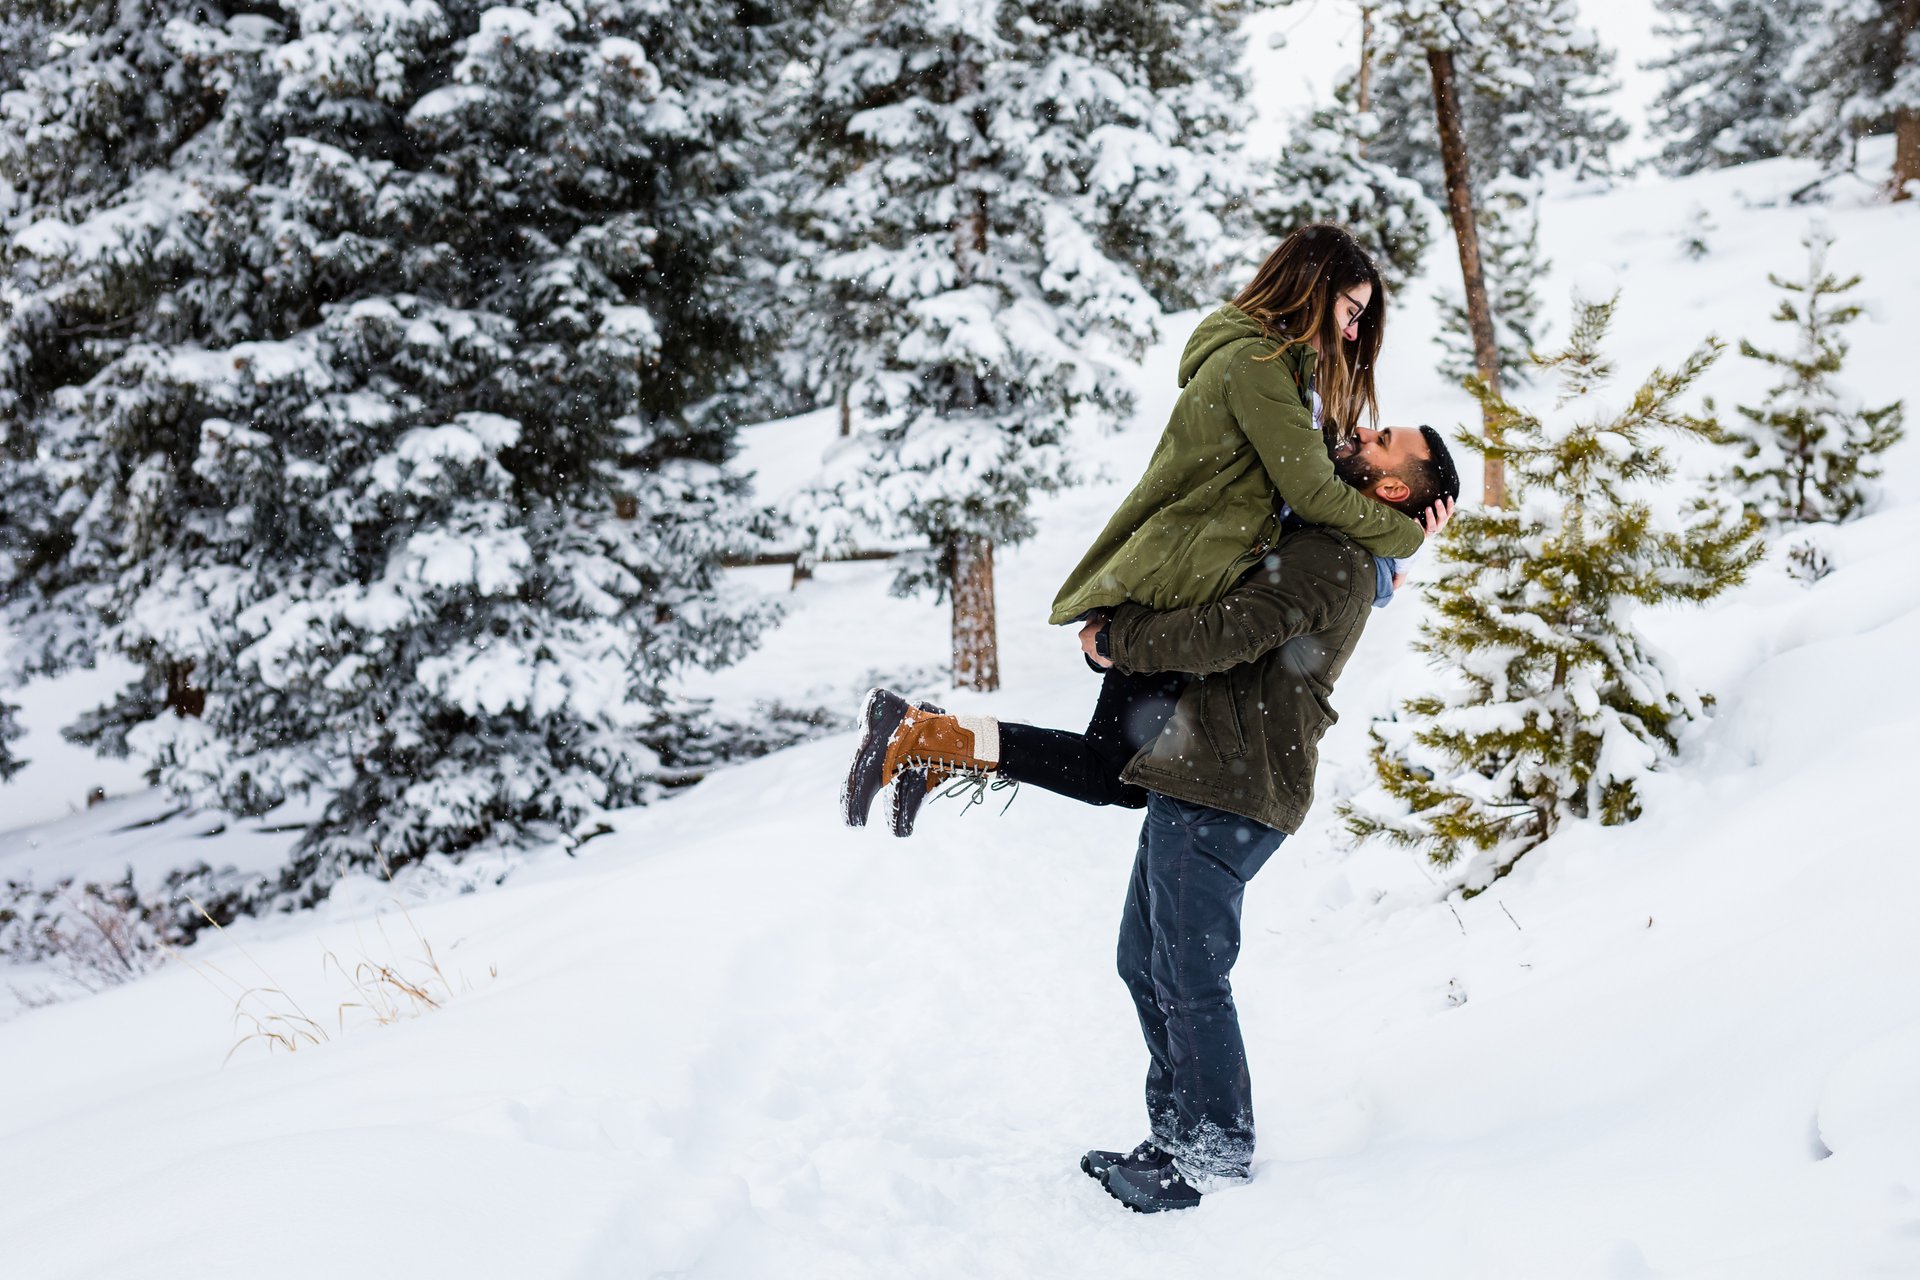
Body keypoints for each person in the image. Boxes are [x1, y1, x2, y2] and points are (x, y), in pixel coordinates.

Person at [844, 426, 1462, 1211]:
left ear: (1393, 490)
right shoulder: (1340, 544)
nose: (1356, 435)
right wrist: (1398, 549)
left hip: (1228, 788)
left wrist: (1120, 641)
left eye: (1378, 442)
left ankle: (1208, 1154)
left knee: (1188, 973)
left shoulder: (1334, 555)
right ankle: (1175, 1136)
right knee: (1147, 962)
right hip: (1209, 776)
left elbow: (1229, 632)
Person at [848, 226, 1450, 837]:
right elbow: (1313, 494)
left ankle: (933, 743)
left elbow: (1319, 498)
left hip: (1199, 574)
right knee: (1114, 770)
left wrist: (1385, 559)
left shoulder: (1286, 373)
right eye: (1349, 311)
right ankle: (920, 736)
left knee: (1116, 769)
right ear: (1311, 290)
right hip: (1183, 579)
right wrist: (1405, 539)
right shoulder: (1255, 364)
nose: (1352, 331)